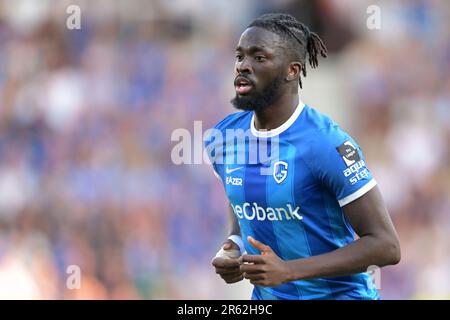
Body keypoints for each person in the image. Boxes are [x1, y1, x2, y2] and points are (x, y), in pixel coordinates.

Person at [205, 13, 400, 300]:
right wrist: (234, 243)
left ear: (292, 71)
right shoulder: (222, 139)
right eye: (240, 56)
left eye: (259, 57)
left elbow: (386, 246)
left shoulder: (325, 144)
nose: (243, 66)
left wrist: (290, 271)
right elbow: (241, 198)